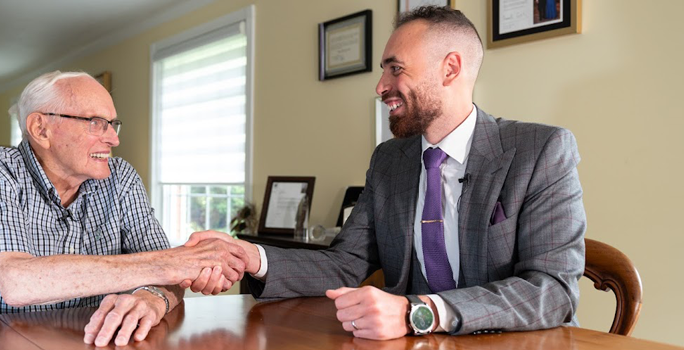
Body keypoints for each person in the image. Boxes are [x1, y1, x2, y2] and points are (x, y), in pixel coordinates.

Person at [186, 6, 585, 340]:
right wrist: (253, 257)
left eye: (396, 69)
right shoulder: (389, 160)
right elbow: (345, 263)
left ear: (450, 69)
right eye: (383, 71)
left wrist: (420, 312)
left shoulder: (540, 151)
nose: (380, 86)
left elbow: (552, 291)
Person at [0, 71, 247, 347]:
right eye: (96, 123)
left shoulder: (119, 177)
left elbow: (167, 277)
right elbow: (18, 281)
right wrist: (174, 263)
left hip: (87, 338)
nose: (113, 139)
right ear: (41, 129)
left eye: (112, 124)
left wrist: (151, 299)